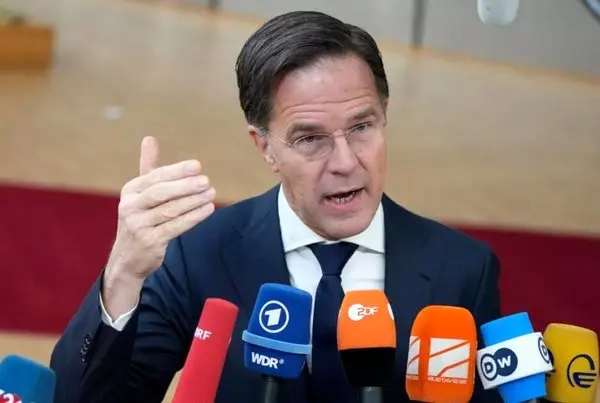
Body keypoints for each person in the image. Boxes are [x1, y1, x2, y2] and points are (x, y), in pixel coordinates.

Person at [49, 10, 503, 403]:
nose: (345, 162)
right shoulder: (199, 254)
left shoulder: (462, 269)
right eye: (310, 138)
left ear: (385, 116)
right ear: (264, 147)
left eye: (362, 127)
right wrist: (123, 273)